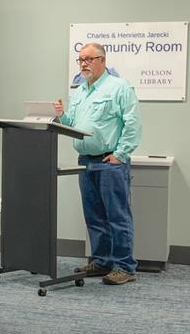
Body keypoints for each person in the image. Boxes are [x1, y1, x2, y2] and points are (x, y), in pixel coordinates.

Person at [54, 42, 142, 285]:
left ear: (103, 60)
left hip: (109, 161)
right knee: (94, 217)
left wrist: (120, 155)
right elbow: (74, 124)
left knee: (118, 216)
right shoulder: (81, 90)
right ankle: (102, 262)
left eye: (89, 59)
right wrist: (62, 115)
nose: (83, 63)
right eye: (80, 59)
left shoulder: (119, 87)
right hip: (85, 162)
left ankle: (124, 267)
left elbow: (133, 124)